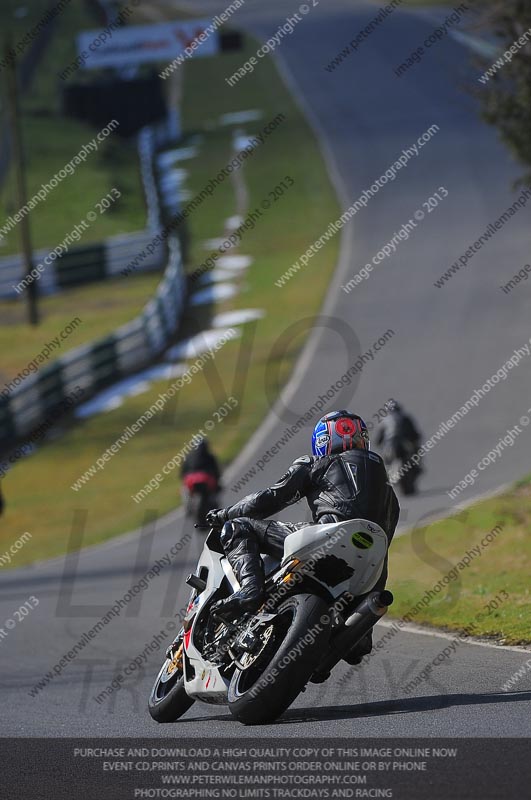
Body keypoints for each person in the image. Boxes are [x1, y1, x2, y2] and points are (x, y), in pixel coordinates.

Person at [206, 410, 399, 663]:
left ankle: (251, 590)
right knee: (357, 649)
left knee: (238, 526)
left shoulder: (317, 463)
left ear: (323, 440)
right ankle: (354, 636)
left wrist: (224, 514)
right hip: (369, 567)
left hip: (328, 537)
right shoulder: (390, 495)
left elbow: (268, 499)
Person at [375, 400, 422, 495]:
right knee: (416, 453)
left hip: (392, 447)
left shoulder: (385, 421)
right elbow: (415, 434)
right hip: (397, 447)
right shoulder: (404, 418)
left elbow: (378, 440)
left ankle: (389, 474)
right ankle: (417, 467)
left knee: (385, 460)